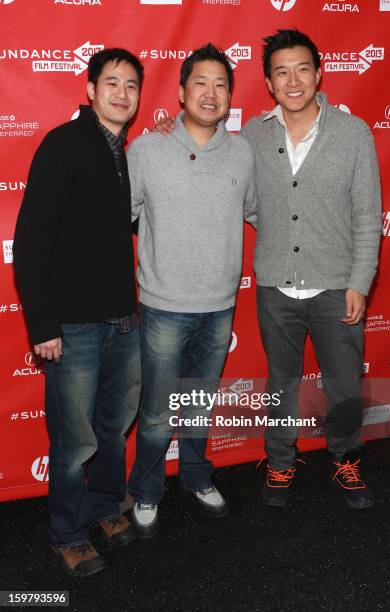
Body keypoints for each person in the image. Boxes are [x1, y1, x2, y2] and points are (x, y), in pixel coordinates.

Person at [13, 48, 143, 577]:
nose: (121, 92)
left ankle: (105, 506)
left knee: (113, 428)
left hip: (124, 321)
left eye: (131, 84)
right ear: (90, 89)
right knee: (74, 440)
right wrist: (43, 324)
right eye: (111, 82)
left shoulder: (125, 153)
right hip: (73, 326)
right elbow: (30, 240)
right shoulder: (62, 144)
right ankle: (67, 533)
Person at [241, 29, 382, 510]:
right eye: (281, 72)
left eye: (302, 68)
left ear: (319, 74)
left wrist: (359, 281)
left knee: (343, 382)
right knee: (282, 380)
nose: (293, 80)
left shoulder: (354, 132)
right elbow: (246, 199)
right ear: (269, 82)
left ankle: (346, 459)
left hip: (336, 285)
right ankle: (280, 462)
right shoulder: (254, 136)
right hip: (275, 287)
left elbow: (367, 214)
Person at [126, 43, 257, 537]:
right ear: (181, 92)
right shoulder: (147, 149)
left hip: (220, 305)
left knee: (199, 403)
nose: (211, 92)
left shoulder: (243, 152)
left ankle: (197, 477)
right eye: (200, 82)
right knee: (158, 411)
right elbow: (124, 215)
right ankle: (147, 489)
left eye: (221, 84)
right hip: (163, 306)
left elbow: (260, 213)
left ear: (230, 96)